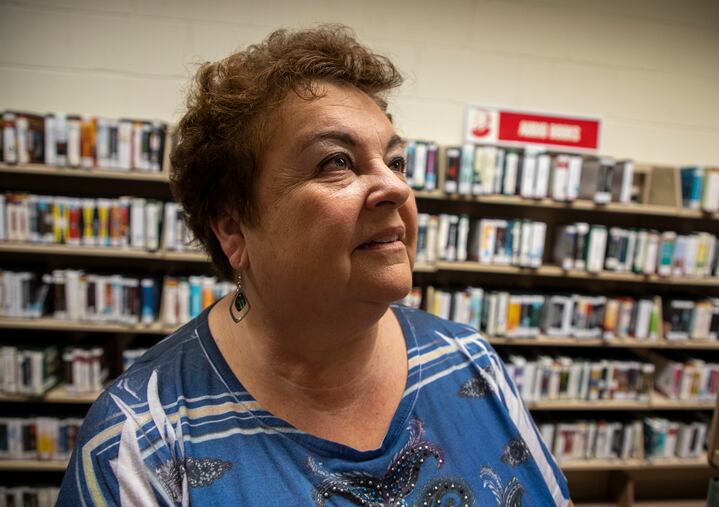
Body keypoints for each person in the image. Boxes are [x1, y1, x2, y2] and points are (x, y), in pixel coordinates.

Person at [57, 25, 572, 506]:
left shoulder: (469, 360)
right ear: (233, 230)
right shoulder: (142, 440)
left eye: (395, 162)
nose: (397, 187)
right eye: (336, 162)